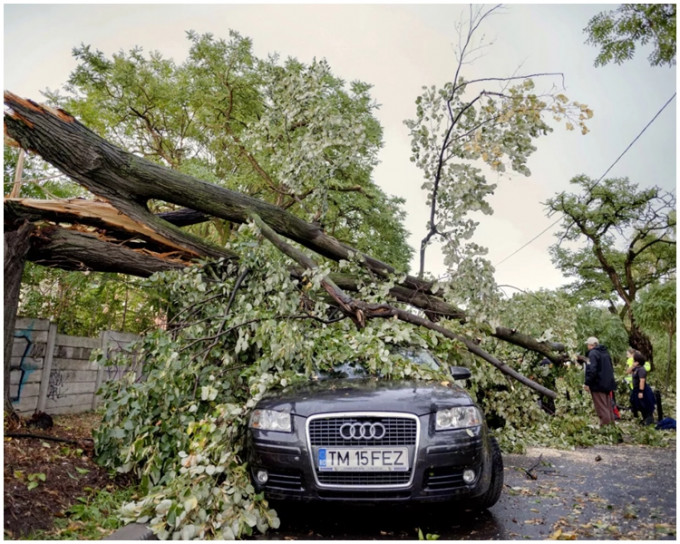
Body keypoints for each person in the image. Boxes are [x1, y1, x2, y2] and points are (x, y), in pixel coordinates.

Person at [583, 337, 617, 426]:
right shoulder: (605, 353)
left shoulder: (593, 354)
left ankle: (605, 429)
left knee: (601, 407)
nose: (587, 347)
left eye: (587, 345)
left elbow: (592, 370)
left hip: (598, 384)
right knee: (608, 406)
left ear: (591, 345)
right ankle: (612, 427)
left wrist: (587, 383)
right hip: (607, 383)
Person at [630, 351, 656, 425]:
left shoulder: (641, 370)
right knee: (636, 404)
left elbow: (642, 381)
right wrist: (632, 366)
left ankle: (649, 420)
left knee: (644, 405)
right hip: (636, 389)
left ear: (638, 361)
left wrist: (641, 391)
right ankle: (644, 418)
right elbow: (627, 372)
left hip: (642, 389)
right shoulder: (636, 368)